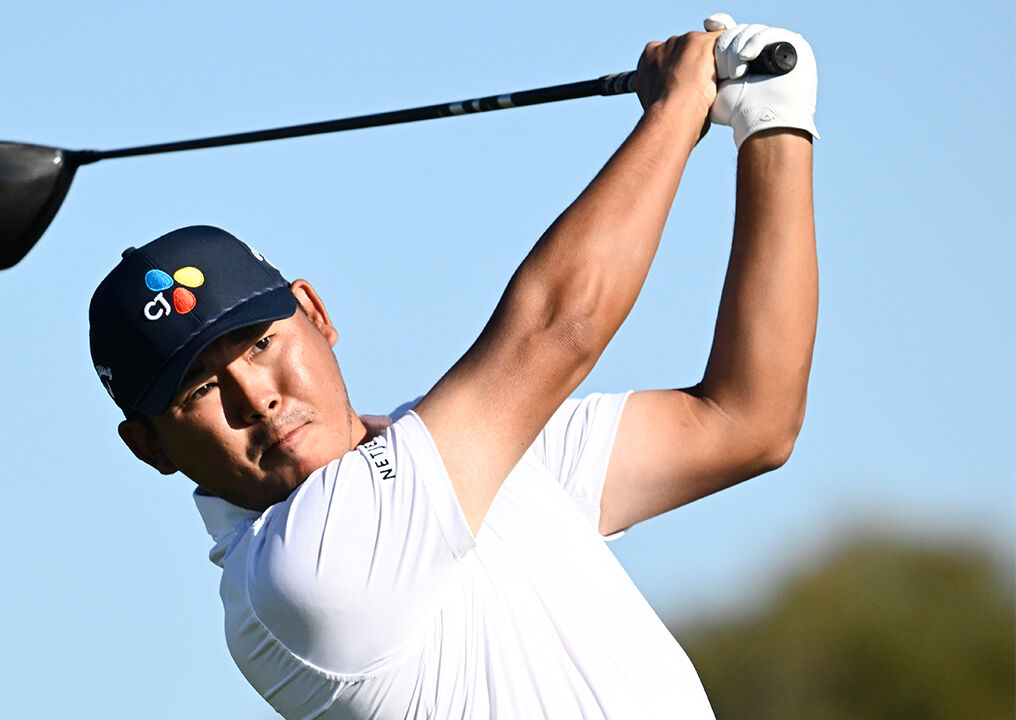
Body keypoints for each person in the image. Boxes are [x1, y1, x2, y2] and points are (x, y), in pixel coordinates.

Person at [88, 13, 817, 719]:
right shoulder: (296, 572)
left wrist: (775, 126)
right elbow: (557, 330)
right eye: (200, 389)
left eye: (259, 345)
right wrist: (676, 109)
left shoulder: (462, 452)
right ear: (149, 447)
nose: (256, 397)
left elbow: (746, 422)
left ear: (314, 312)